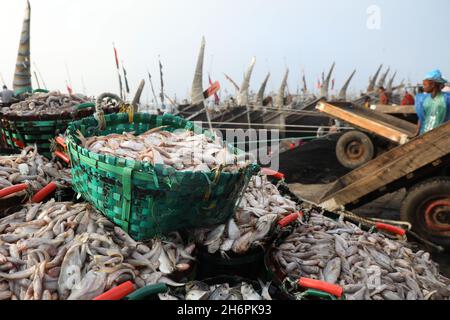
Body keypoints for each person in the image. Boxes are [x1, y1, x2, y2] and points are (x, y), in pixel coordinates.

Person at [415, 69, 450, 135]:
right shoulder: (423, 99)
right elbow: (421, 117)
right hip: (424, 134)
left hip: (441, 136)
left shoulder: (447, 99)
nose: (423, 87)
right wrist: (417, 131)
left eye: (425, 85)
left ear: (433, 84)